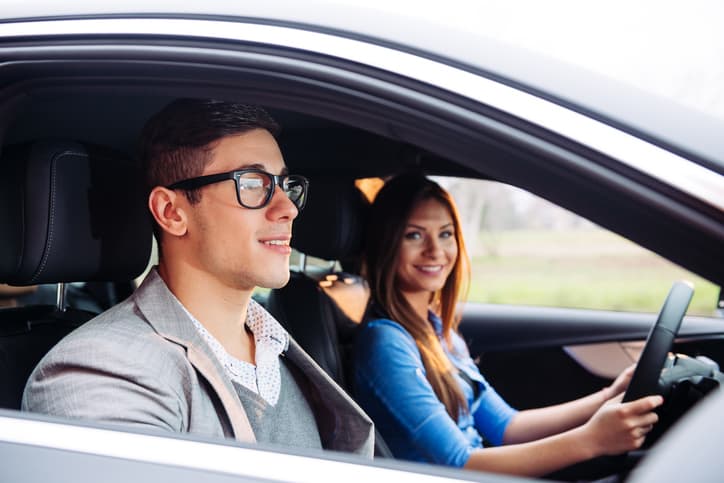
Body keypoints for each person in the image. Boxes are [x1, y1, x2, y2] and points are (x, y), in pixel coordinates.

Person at [23, 99, 373, 456]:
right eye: (253, 183)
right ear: (172, 212)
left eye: (285, 184)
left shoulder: (279, 345)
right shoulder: (101, 370)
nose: (288, 208)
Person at [352, 173, 662, 477]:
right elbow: (460, 463)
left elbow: (506, 427)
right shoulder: (386, 343)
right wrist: (591, 441)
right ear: (386, 244)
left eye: (446, 234)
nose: (436, 250)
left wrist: (608, 395)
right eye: (414, 235)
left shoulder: (439, 333)